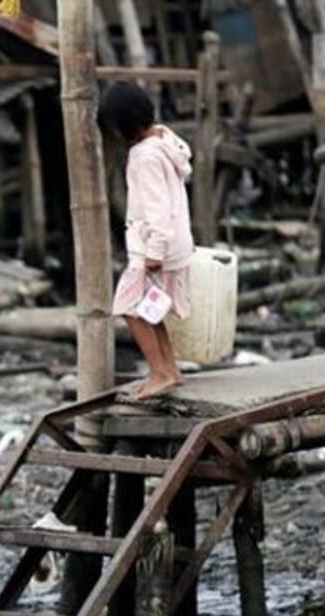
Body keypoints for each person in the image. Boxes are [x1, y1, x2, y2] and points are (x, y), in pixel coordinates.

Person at [99, 81, 196, 400]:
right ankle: (169, 369)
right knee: (151, 311)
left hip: (155, 248)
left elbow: (157, 208)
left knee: (128, 306)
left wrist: (153, 252)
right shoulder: (167, 142)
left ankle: (160, 372)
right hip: (175, 245)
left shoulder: (143, 157)